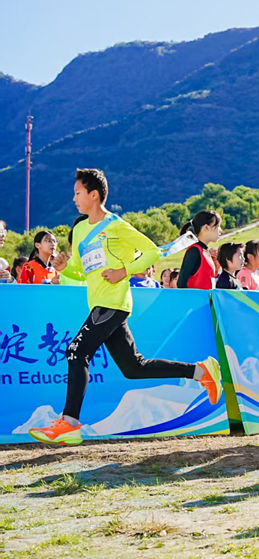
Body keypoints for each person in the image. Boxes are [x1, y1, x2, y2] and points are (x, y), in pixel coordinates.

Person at [31, 169, 221, 445]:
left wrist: (124, 271)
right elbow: (85, 272)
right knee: (134, 368)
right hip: (99, 303)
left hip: (113, 303)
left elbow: (153, 252)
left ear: (93, 195)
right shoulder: (81, 229)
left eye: (77, 193)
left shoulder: (116, 225)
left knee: (76, 352)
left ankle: (70, 423)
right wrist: (66, 268)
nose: (73, 198)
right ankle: (201, 371)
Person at [176, 211, 222, 290]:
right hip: (196, 301)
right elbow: (181, 283)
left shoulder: (206, 252)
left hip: (207, 301)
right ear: (206, 228)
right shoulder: (194, 251)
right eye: (217, 226)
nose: (220, 230)